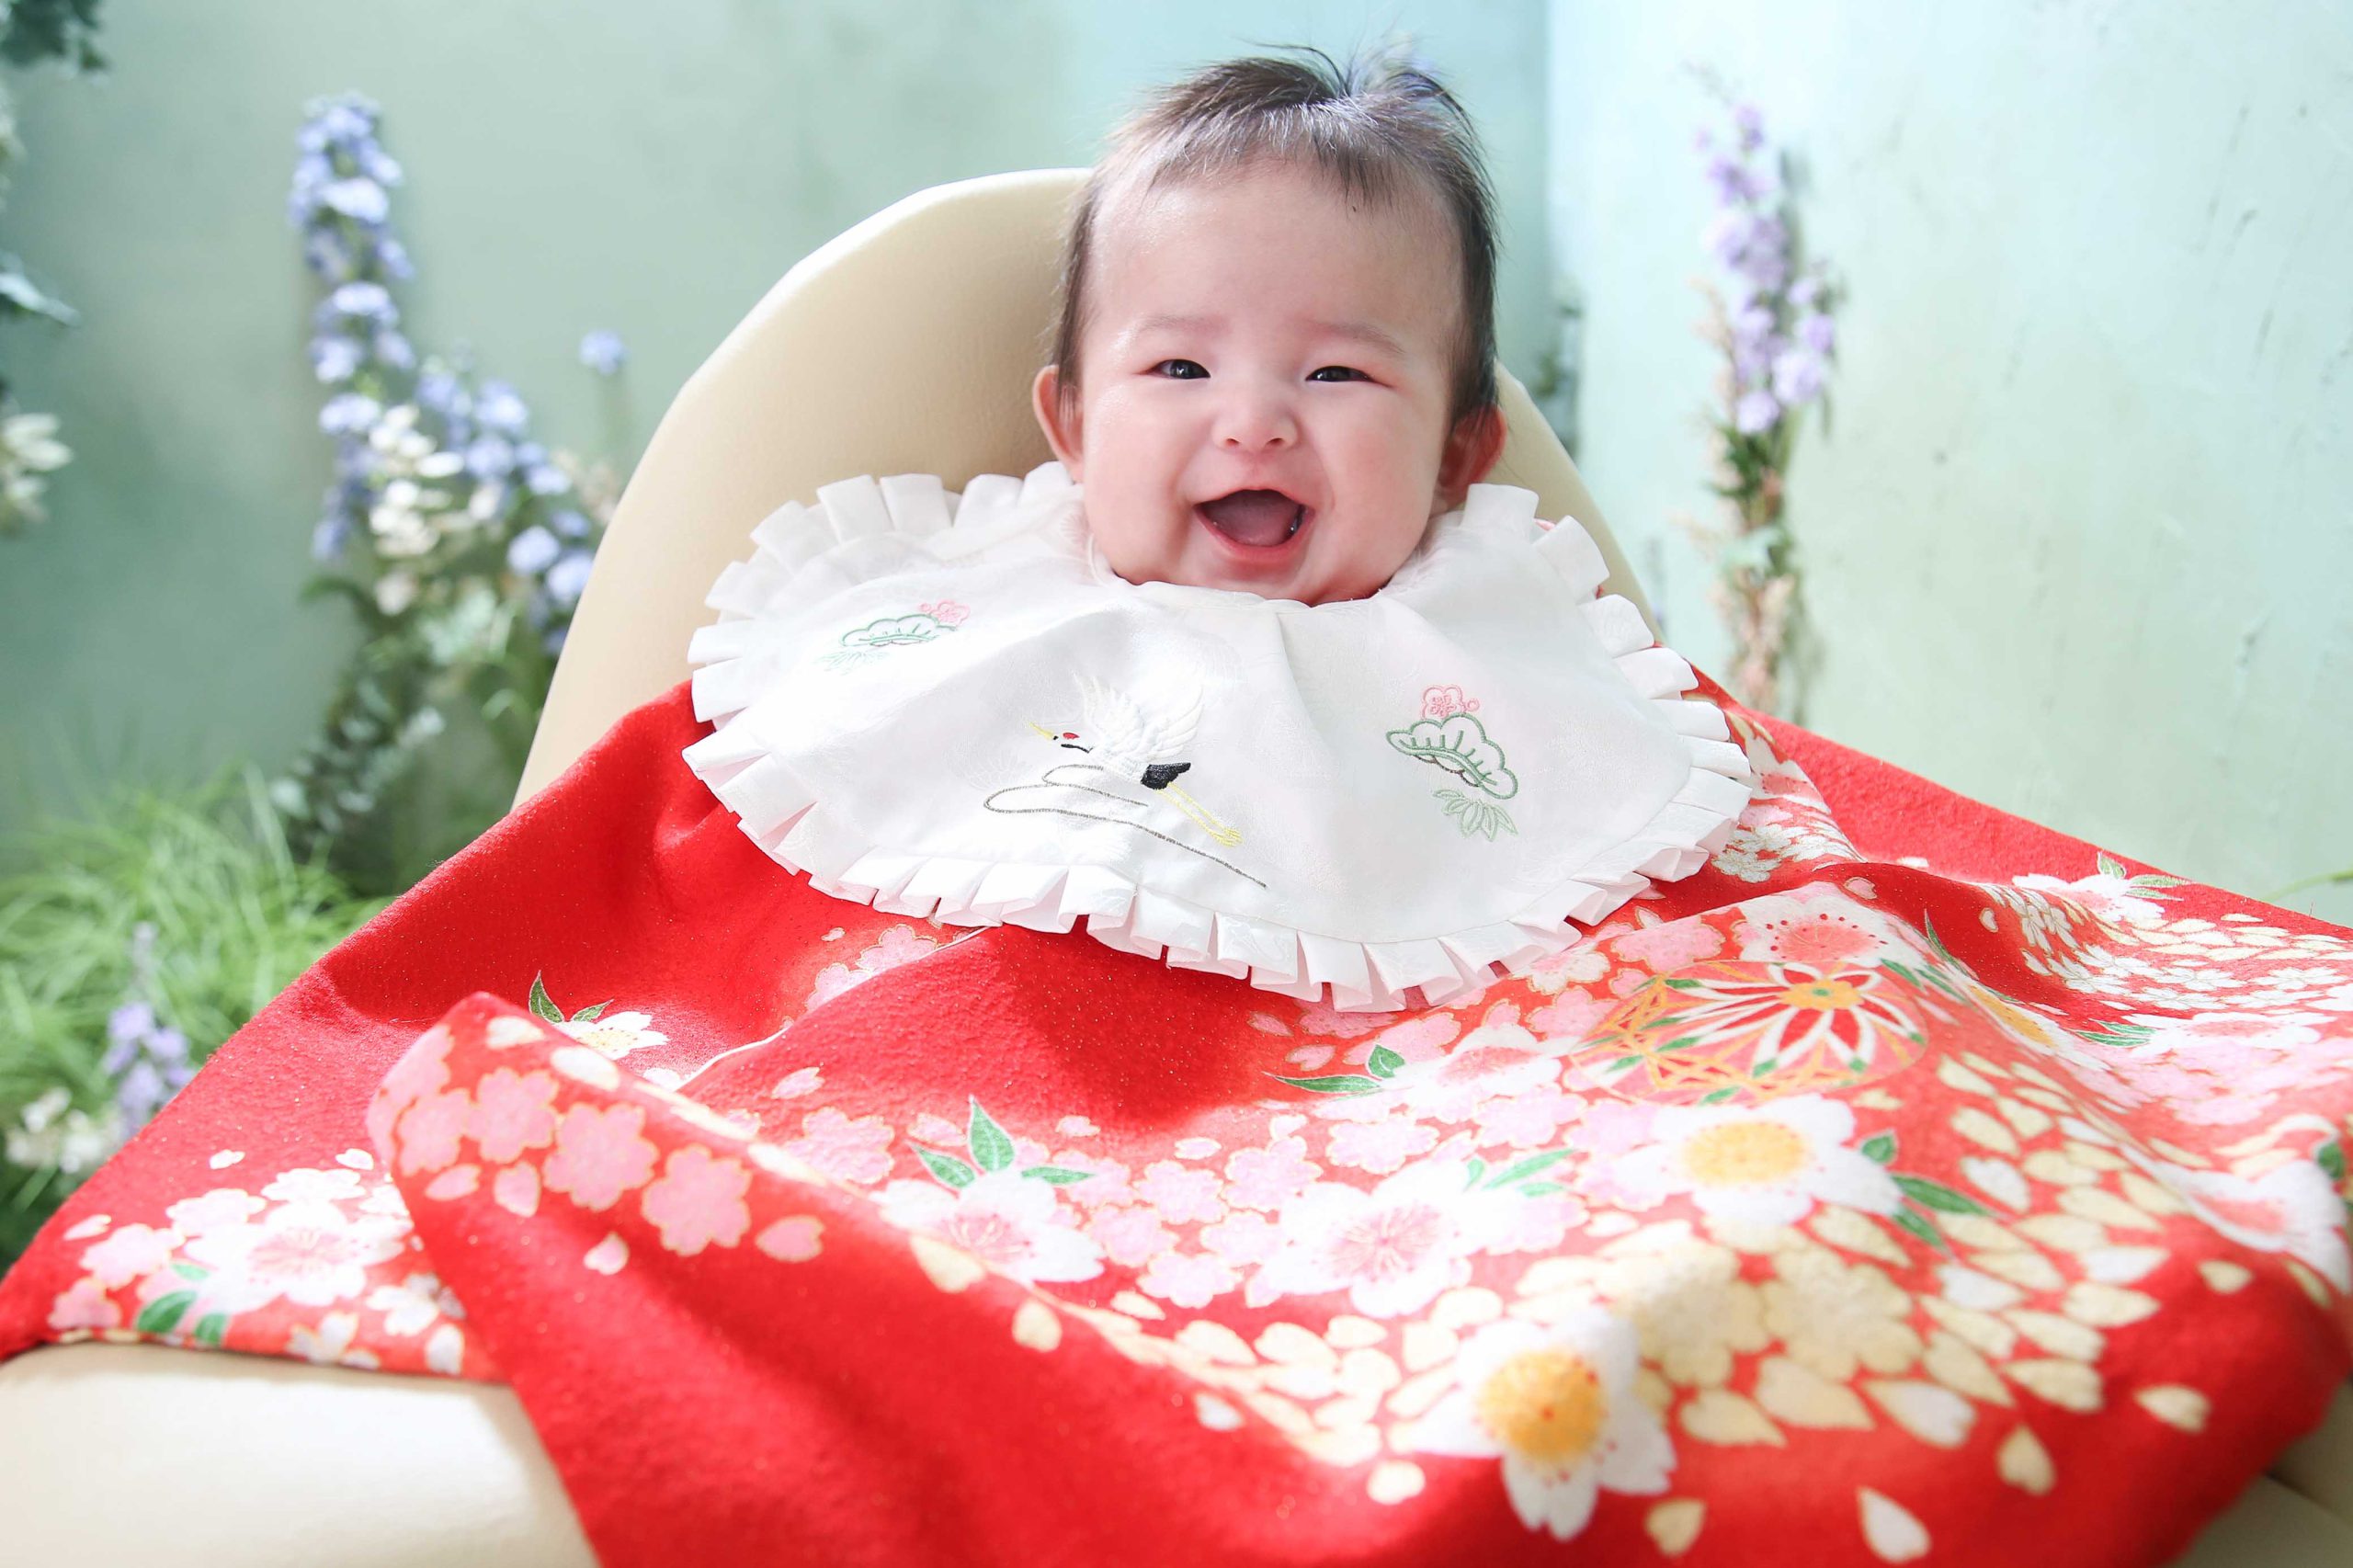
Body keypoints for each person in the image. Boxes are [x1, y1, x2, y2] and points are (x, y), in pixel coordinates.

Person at [1028, 49, 1508, 608]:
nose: (1253, 425)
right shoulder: (1000, 580)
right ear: (1076, 425)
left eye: (1335, 373)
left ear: (1452, 455)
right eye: (1182, 369)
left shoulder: (1501, 608)